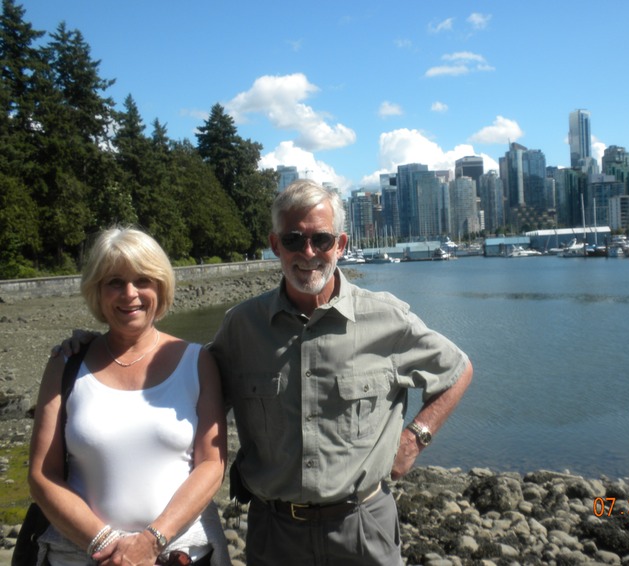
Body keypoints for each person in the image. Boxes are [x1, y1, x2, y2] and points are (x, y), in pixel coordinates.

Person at [208, 179, 473, 565]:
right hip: (274, 533)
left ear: (342, 245)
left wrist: (415, 438)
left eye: (323, 240)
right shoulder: (241, 327)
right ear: (275, 244)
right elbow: (189, 388)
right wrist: (96, 350)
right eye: (295, 239)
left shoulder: (387, 318)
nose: (309, 253)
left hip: (363, 527)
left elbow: (457, 370)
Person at [30, 227, 230, 565]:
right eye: (114, 282)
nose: (129, 294)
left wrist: (151, 541)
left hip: (181, 554)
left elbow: (211, 464)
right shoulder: (66, 364)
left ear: (161, 286)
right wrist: (106, 543)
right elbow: (41, 475)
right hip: (81, 556)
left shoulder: (197, 362)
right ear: (97, 290)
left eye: (143, 280)